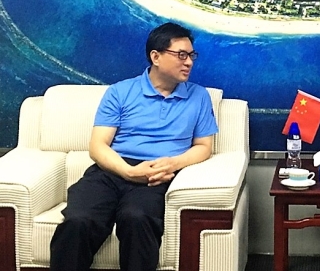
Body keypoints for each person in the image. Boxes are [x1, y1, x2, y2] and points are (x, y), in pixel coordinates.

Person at [50, 22, 218, 271]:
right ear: (156, 57)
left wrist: (173, 163)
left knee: (137, 218)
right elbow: (97, 145)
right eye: (181, 55)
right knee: (78, 221)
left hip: (156, 174)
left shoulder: (199, 96)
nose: (189, 62)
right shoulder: (120, 92)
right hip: (111, 170)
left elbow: (204, 146)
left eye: (192, 55)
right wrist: (129, 172)